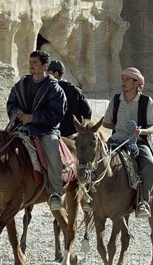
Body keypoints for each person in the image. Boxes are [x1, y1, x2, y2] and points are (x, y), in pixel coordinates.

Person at [6, 50, 67, 211]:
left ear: (45, 66)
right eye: (30, 62)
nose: (31, 65)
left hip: (45, 130)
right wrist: (17, 112)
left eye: (35, 63)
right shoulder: (22, 84)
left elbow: (57, 113)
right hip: (21, 127)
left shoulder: (54, 88)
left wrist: (34, 118)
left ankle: (55, 192)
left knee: (54, 155)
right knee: (0, 145)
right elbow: (11, 103)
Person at [103, 67, 153, 219]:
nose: (123, 82)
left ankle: (143, 202)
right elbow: (106, 124)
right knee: (96, 160)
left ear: (136, 82)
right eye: (122, 79)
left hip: (138, 142)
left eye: (127, 79)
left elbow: (152, 127)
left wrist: (140, 132)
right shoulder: (115, 100)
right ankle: (90, 198)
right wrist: (121, 128)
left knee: (149, 165)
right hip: (116, 141)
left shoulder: (147, 101)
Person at [46, 60, 92, 137]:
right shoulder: (76, 90)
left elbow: (87, 114)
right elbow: (87, 114)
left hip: (57, 135)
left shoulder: (48, 89)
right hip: (68, 133)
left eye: (48, 72)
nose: (45, 75)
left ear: (56, 74)